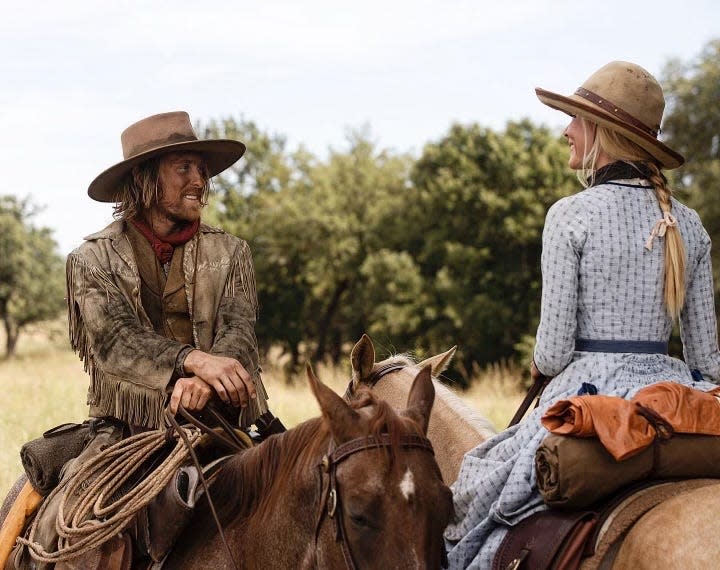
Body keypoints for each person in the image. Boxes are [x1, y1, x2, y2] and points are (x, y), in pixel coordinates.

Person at [444, 61, 720, 568]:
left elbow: (551, 353)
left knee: (472, 503)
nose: (566, 129)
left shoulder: (570, 214)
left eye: (575, 118)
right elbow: (709, 362)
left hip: (590, 393)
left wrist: (540, 366)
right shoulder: (690, 224)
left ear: (602, 131)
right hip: (672, 396)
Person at [67, 110, 269, 431]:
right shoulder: (92, 258)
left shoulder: (232, 252)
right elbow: (116, 341)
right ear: (143, 178)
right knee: (74, 480)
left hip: (225, 418)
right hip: (129, 427)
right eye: (184, 168)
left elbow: (238, 332)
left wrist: (207, 384)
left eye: (201, 170)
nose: (199, 181)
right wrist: (196, 360)